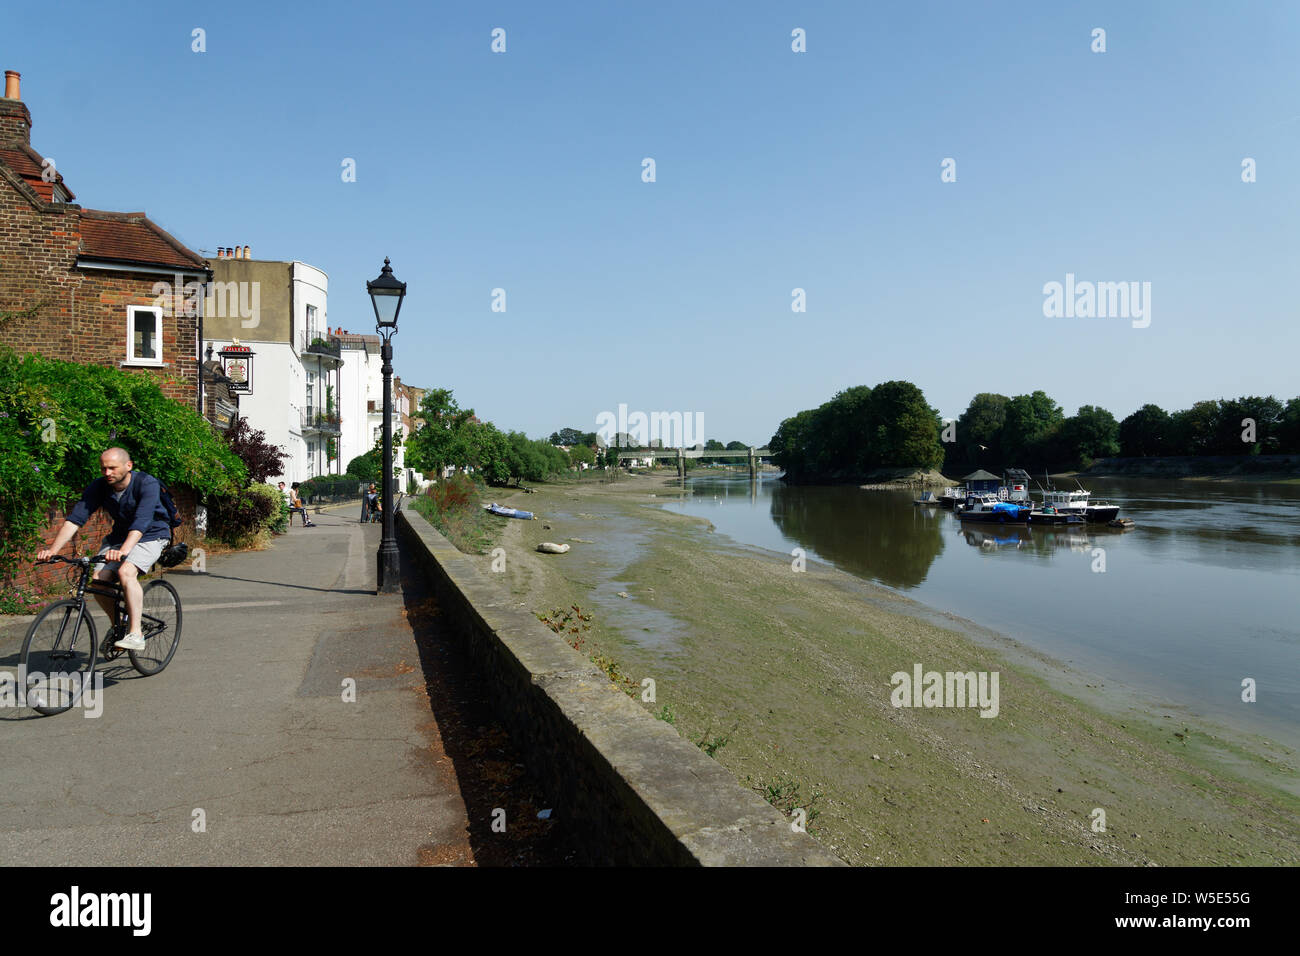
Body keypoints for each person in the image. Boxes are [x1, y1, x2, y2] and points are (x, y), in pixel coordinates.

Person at [36, 447, 172, 650]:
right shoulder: (99, 486)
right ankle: (119, 625)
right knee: (99, 582)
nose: (107, 473)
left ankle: (135, 634)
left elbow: (141, 522)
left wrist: (124, 552)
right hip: (119, 537)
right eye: (103, 469)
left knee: (127, 571)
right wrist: (53, 550)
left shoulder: (146, 483)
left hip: (152, 534)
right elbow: (75, 520)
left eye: (112, 468)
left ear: (128, 466)